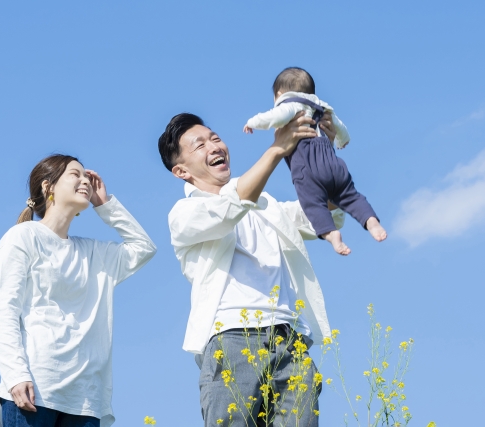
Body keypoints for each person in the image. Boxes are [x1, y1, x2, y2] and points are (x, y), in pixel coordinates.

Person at [158, 112, 344, 427]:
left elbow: (324, 210)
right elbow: (230, 208)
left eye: (215, 138)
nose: (213, 146)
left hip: (290, 339)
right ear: (181, 171)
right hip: (233, 338)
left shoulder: (265, 205)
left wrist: (324, 151)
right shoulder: (185, 213)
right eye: (199, 145)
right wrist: (274, 151)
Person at [0, 154, 156, 427]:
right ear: (48, 186)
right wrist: (15, 374)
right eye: (74, 174)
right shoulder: (24, 236)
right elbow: (2, 309)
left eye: (86, 176)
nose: (85, 180)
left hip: (85, 401)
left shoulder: (92, 253)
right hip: (34, 390)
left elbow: (143, 248)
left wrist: (106, 206)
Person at [244, 67, 387, 255]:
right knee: (351, 195)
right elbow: (339, 127)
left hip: (308, 167)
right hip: (333, 163)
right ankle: (371, 221)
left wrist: (253, 122)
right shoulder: (322, 106)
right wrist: (342, 140)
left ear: (279, 94)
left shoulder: (290, 104)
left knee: (312, 203)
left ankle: (331, 234)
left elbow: (274, 117)